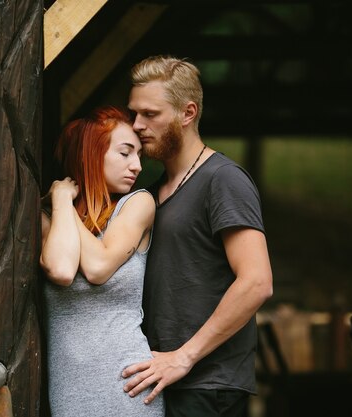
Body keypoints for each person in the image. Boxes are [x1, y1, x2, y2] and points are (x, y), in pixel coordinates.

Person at [121, 55, 273, 417]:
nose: (137, 125)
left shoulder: (223, 179)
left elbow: (256, 282)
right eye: (134, 113)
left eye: (150, 114)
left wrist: (184, 357)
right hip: (164, 379)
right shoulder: (154, 190)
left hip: (208, 385)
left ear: (187, 113)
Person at [40, 106, 165, 417]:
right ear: (91, 154)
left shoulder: (137, 204)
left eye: (138, 155)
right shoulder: (47, 217)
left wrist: (62, 202)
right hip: (71, 391)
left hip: (128, 386)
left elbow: (97, 268)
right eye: (125, 153)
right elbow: (62, 269)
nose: (136, 165)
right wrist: (61, 202)